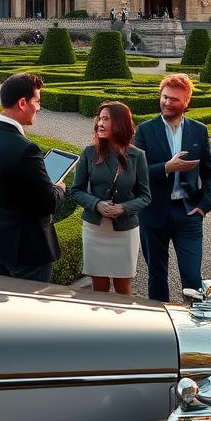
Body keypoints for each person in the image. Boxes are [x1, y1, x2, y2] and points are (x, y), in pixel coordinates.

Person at [0, 72, 66, 283]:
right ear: (23, 103)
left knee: (0, 313)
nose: (39, 107)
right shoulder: (27, 149)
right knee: (28, 313)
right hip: (26, 250)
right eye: (37, 101)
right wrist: (59, 187)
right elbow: (48, 203)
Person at [132, 73, 211, 302]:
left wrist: (203, 205)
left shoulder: (199, 130)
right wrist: (167, 168)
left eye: (174, 99)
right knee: (157, 276)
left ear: (186, 102)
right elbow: (135, 173)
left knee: (192, 277)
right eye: (165, 97)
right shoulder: (145, 130)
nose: (167, 103)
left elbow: (210, 173)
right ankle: (159, 329)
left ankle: (192, 328)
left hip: (188, 212)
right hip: (153, 212)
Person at [70, 102, 151, 295]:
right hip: (95, 229)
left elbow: (145, 196)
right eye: (99, 118)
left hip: (125, 231)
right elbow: (76, 191)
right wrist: (96, 204)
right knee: (99, 287)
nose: (100, 123)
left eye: (106, 119)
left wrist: (123, 208)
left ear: (120, 123)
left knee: (123, 288)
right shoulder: (90, 152)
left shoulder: (138, 156)